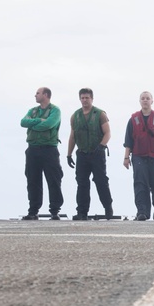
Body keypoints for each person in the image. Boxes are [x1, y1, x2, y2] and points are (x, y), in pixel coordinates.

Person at [123, 91, 154, 221]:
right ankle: (142, 211)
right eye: (143, 98)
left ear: (152, 101)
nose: (145, 100)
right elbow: (128, 140)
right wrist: (126, 158)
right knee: (140, 184)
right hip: (139, 156)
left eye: (147, 98)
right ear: (139, 101)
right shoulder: (133, 119)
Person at [66, 88, 113, 220]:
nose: (85, 100)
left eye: (87, 97)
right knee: (82, 183)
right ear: (80, 99)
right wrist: (68, 154)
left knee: (101, 181)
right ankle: (82, 211)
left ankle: (108, 208)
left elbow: (107, 132)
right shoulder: (75, 116)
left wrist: (102, 146)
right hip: (82, 154)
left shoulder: (100, 114)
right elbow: (72, 137)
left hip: (97, 153)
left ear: (92, 99)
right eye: (82, 98)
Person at [20, 87, 63, 220]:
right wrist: (39, 121)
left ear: (45, 95)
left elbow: (49, 124)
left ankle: (55, 211)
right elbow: (23, 122)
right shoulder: (32, 110)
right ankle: (33, 211)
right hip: (33, 149)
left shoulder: (55, 110)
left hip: (49, 149)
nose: (35, 95)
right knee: (32, 180)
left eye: (38, 93)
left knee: (54, 179)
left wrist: (33, 124)